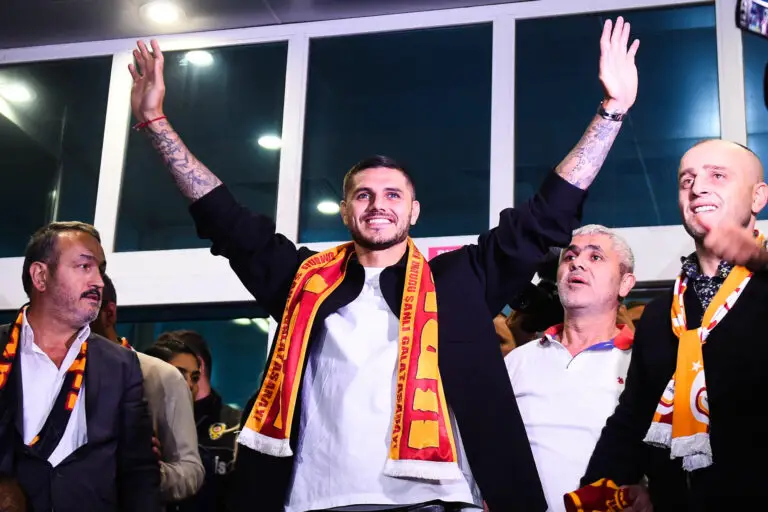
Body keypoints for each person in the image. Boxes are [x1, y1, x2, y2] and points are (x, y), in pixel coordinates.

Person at [128, 16, 639, 511]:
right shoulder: (302, 280)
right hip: (317, 500)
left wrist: (612, 112)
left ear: (414, 212)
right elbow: (224, 221)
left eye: (394, 194)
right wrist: (155, 123)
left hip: (433, 500)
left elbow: (546, 215)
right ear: (345, 210)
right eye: (364, 194)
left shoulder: (459, 280)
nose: (378, 204)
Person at [579, 139, 768, 510]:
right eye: (687, 180)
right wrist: (596, 494)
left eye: (718, 175)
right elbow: (634, 417)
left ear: (758, 197)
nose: (697, 188)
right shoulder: (657, 315)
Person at [0, 222, 160, 511]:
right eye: (85, 266)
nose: (99, 281)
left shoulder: (121, 364)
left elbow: (138, 473)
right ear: (40, 276)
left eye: (100, 269)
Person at [504, 225, 636, 512]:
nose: (577, 263)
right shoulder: (516, 362)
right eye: (569, 257)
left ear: (625, 284)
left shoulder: (642, 364)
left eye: (595, 257)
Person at [90, 274, 204, 504]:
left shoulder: (160, 375)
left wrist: (146, 472)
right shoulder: (44, 374)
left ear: (108, 313)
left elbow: (191, 471)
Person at [156, 330, 241, 512]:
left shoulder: (238, 428)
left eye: (168, 372)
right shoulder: (153, 424)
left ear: (198, 368)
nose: (160, 380)